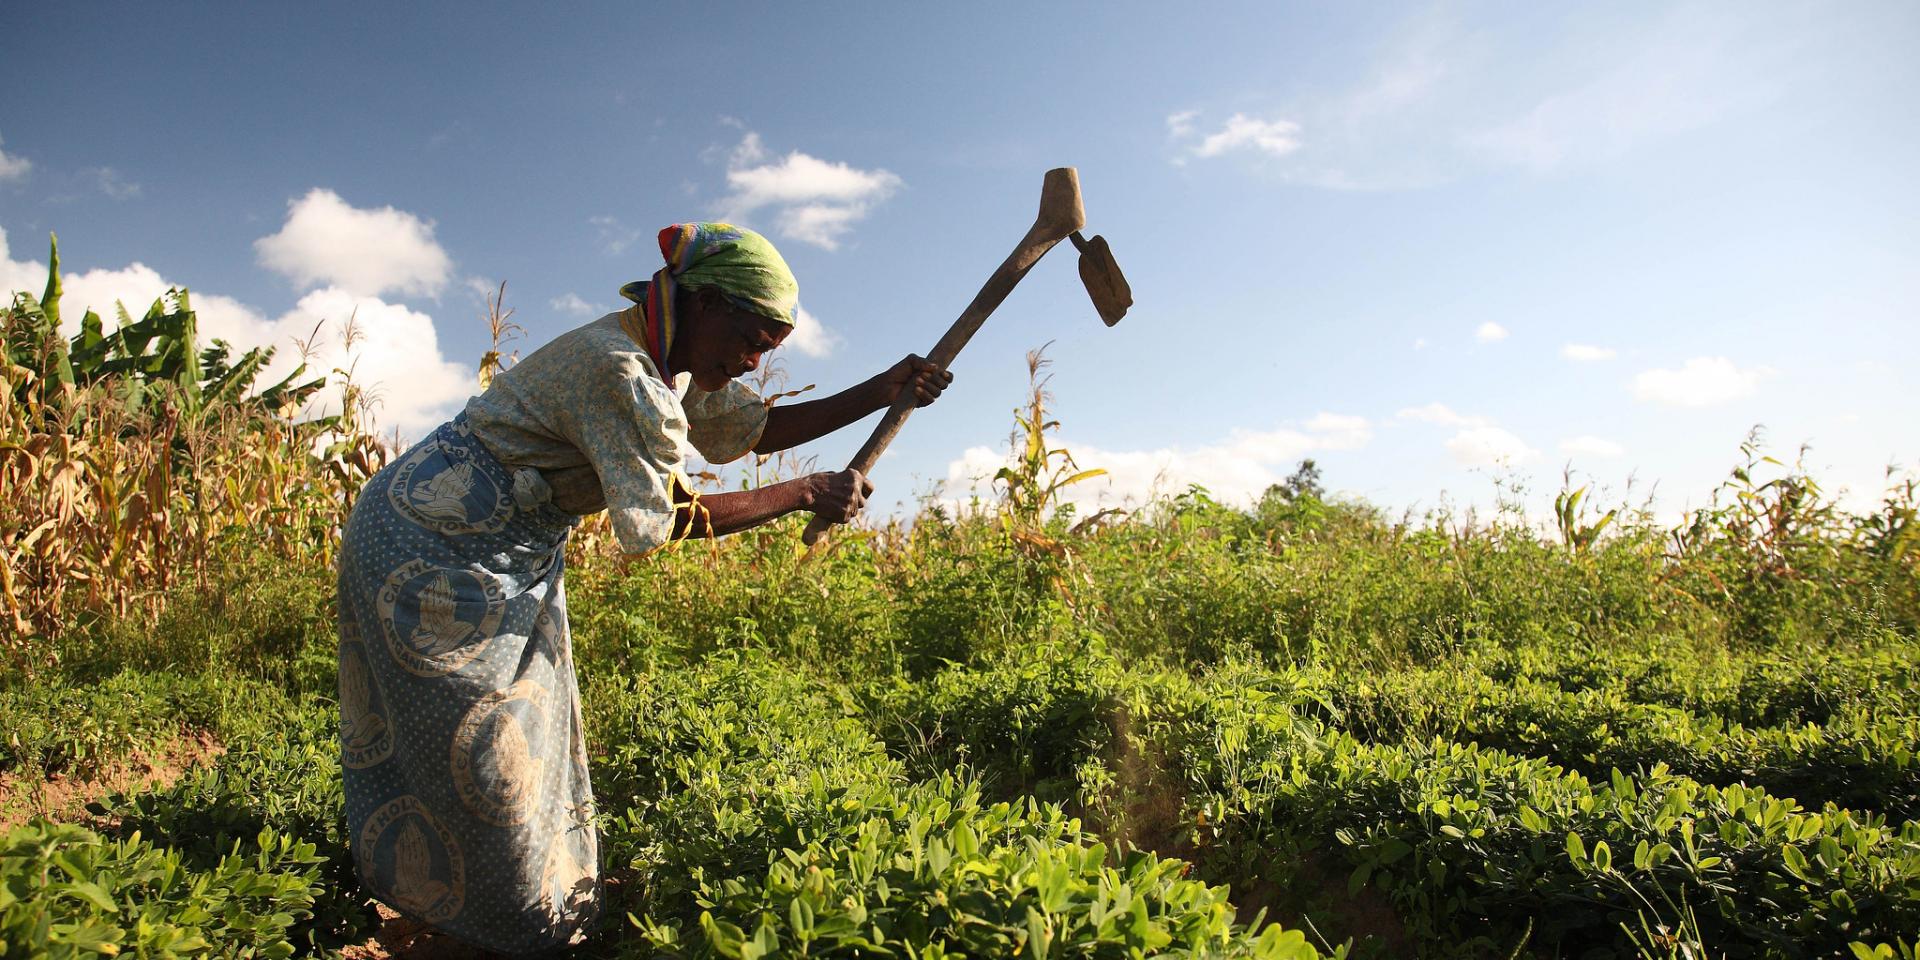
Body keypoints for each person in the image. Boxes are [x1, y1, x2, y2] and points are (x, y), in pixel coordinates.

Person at [334, 222, 950, 952]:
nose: (751, 361)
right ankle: (492, 928)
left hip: (499, 544)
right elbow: (667, 519)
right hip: (432, 545)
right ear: (706, 304)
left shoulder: (661, 360)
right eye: (750, 339)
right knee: (482, 746)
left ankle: (504, 916)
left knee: (526, 733)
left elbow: (744, 432)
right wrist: (808, 490)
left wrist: (883, 390)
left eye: (767, 350)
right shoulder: (621, 371)